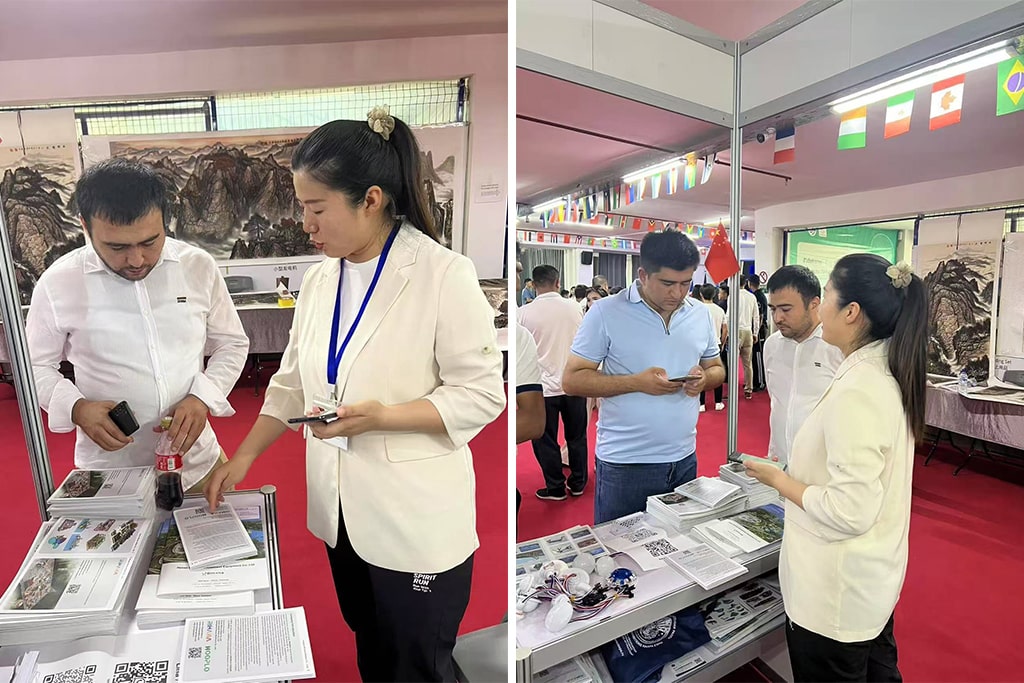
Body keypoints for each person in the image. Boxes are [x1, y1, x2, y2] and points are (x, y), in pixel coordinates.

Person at [203, 109, 506, 683]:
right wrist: (243, 455)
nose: (305, 223)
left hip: (413, 517)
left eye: (316, 208)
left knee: (419, 664)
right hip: (340, 511)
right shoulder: (323, 278)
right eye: (301, 207)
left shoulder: (443, 273)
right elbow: (291, 382)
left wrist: (384, 417)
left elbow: (482, 394)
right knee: (373, 647)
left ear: (370, 199)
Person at [745, 254, 926, 682]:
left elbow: (850, 509)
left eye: (825, 295)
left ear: (851, 312)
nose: (818, 307)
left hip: (836, 592)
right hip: (866, 579)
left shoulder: (859, 388)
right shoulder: (879, 368)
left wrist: (780, 480)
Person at [26, 159, 249, 493]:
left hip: (195, 462)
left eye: (149, 241)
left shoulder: (196, 267)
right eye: (117, 247)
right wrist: (76, 407)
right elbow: (35, 364)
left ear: (165, 220)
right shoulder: (59, 283)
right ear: (86, 227)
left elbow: (231, 343)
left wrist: (202, 397)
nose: (136, 260)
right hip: (112, 471)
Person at [563, 231, 726, 524]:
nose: (677, 293)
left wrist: (704, 379)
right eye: (667, 283)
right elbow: (572, 380)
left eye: (686, 283)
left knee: (680, 550)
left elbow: (717, 368)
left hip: (684, 457)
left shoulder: (699, 314)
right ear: (643, 275)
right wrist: (636, 382)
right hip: (626, 463)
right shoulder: (605, 312)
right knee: (620, 556)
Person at [763, 266, 843, 468]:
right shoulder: (772, 345)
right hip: (779, 464)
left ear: (814, 304)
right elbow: (776, 401)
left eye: (786, 309)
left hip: (823, 469)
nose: (777, 318)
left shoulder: (837, 347)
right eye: (773, 309)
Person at [519, 264, 587, 500]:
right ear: (558, 282)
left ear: (533, 285)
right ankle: (578, 483)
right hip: (573, 382)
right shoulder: (575, 308)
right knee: (577, 436)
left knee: (544, 439)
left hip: (541, 387)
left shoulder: (523, 313)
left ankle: (555, 487)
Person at [515, 253, 545, 516]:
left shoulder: (521, 323)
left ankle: (557, 485)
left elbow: (533, 422)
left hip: (540, 383)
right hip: (552, 384)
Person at [696, 284, 727, 412]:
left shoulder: (697, 309)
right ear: (714, 294)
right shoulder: (719, 310)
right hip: (716, 343)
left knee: (701, 373)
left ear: (701, 295)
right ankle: (718, 402)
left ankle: (701, 403)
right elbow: (725, 329)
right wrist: (723, 342)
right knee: (716, 372)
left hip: (701, 344)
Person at [734, 278, 760, 399]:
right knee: (747, 363)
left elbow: (729, 315)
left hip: (736, 332)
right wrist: (755, 333)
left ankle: (733, 390)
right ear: (745, 283)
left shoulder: (733, 296)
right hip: (748, 331)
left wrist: (728, 333)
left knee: (733, 363)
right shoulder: (752, 297)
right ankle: (748, 390)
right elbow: (756, 316)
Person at [746, 274, 769, 392]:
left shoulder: (758, 296)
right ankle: (755, 380)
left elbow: (760, 316)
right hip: (756, 329)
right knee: (754, 356)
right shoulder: (756, 295)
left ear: (750, 283)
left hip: (759, 330)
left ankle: (760, 382)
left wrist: (756, 331)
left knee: (758, 356)